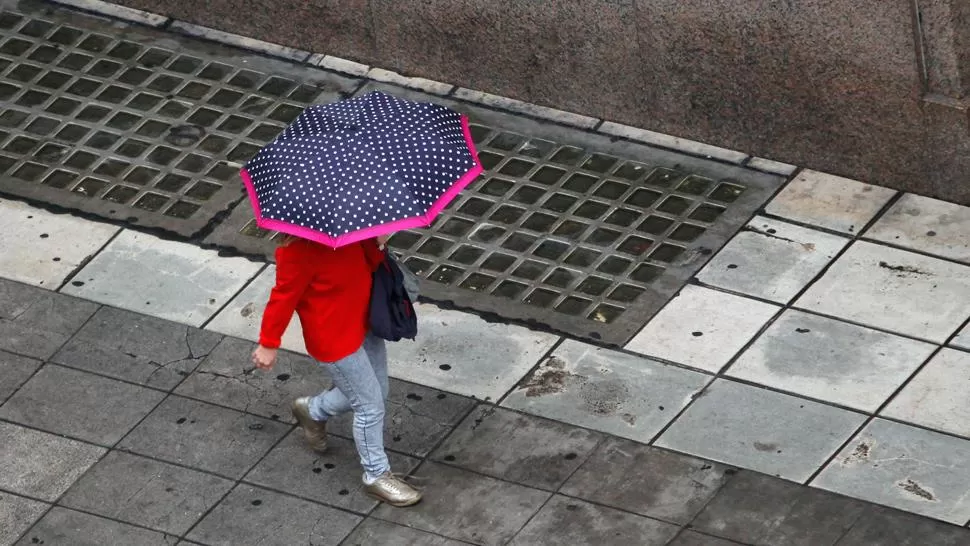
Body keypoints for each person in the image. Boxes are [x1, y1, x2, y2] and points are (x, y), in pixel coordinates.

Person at [250, 234, 421, 507]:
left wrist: (379, 243)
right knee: (370, 405)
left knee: (377, 393)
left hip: (365, 324)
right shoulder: (296, 253)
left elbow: (372, 263)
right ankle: (376, 475)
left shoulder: (350, 234)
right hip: (334, 339)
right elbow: (282, 298)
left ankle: (313, 410)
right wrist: (269, 344)